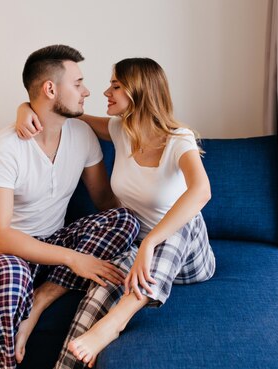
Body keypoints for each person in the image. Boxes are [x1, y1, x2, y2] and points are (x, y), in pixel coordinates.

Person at [16, 57, 216, 368]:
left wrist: (149, 244)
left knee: (183, 223)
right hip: (140, 253)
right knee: (102, 287)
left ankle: (116, 322)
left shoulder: (178, 140)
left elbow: (201, 191)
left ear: (140, 91)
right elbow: (70, 115)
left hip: (190, 258)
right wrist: (24, 108)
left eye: (116, 85)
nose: (106, 91)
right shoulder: (120, 130)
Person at [0, 45, 140, 369]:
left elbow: (105, 203)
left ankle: (41, 299)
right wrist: (75, 259)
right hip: (4, 249)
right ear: (50, 88)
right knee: (12, 276)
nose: (86, 91)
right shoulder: (3, 149)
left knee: (125, 221)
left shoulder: (82, 135)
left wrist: (144, 240)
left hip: (54, 239)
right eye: (77, 83)